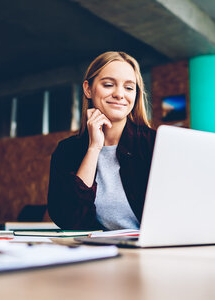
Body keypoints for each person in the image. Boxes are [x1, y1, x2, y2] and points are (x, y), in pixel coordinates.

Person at [47, 51, 155, 230]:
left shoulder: (153, 144)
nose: (120, 94)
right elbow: (69, 219)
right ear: (88, 89)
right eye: (108, 84)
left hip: (153, 252)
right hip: (98, 252)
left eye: (129, 87)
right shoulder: (67, 150)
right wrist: (94, 148)